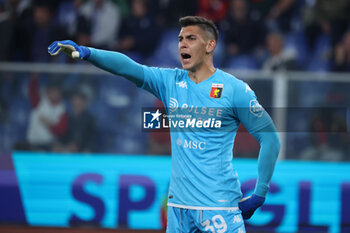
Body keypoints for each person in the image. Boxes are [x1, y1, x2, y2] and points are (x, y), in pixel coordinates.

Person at [48, 16, 280, 232]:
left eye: (191, 38)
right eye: (180, 39)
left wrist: (260, 193)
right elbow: (129, 68)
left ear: (210, 46)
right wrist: (87, 52)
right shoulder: (170, 81)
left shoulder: (234, 89)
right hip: (178, 209)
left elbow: (270, 138)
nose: (182, 45)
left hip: (219, 206)